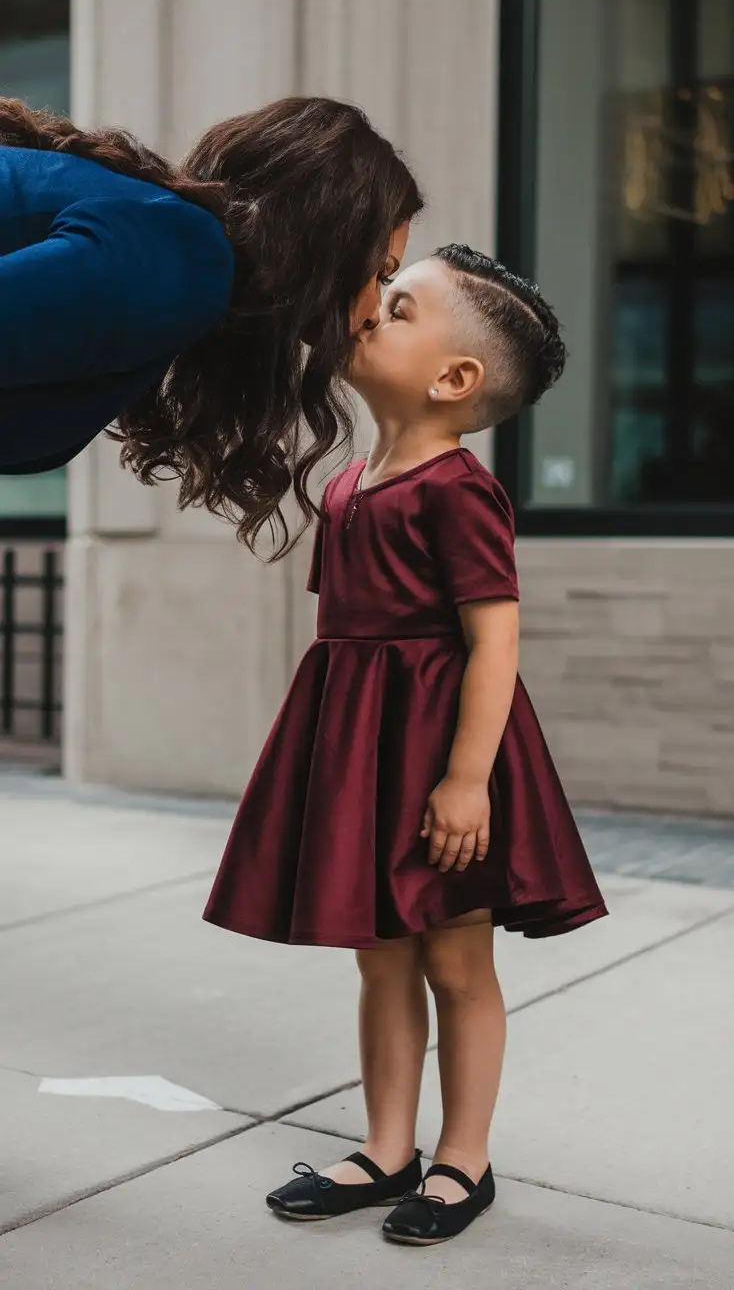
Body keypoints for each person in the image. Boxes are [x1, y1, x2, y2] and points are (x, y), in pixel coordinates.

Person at [203, 244, 608, 1245]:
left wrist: (467, 780)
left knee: (454, 960)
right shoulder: (348, 488)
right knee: (379, 957)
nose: (365, 311)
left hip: (436, 752)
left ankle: (461, 1158)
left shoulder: (456, 491)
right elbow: (349, 639)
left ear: (453, 377)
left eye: (394, 304)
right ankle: (388, 1145)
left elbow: (493, 639)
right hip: (358, 746)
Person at [0, 96, 422, 551]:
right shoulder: (185, 260)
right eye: (381, 272)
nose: (375, 310)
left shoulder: (184, 257)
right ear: (332, 242)